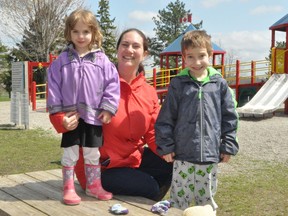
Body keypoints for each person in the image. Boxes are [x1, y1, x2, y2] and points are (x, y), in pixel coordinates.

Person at [73, 28, 173, 201]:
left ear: (145, 54)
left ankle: (149, 202)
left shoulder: (148, 92)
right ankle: (149, 199)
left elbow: (153, 133)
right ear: (118, 50)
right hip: (100, 168)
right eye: (125, 45)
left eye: (136, 46)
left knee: (170, 164)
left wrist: (174, 151)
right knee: (150, 186)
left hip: (130, 161)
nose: (129, 50)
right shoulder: (98, 83)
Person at [154, 30, 239, 211]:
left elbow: (230, 119)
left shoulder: (219, 85)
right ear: (184, 58)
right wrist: (166, 146)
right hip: (182, 156)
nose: (196, 62)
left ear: (210, 55)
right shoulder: (178, 84)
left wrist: (228, 145)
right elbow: (166, 118)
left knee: (206, 204)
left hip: (209, 157)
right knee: (178, 202)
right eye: (190, 57)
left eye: (201, 56)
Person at [47, 9, 120, 205]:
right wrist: (58, 116)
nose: (81, 36)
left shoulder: (102, 61)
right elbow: (53, 87)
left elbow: (112, 84)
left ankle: (93, 185)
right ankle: (68, 187)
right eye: (76, 32)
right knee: (70, 152)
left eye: (86, 32)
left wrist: (108, 108)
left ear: (94, 33)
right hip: (71, 117)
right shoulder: (61, 61)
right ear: (68, 33)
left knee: (92, 152)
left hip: (93, 115)